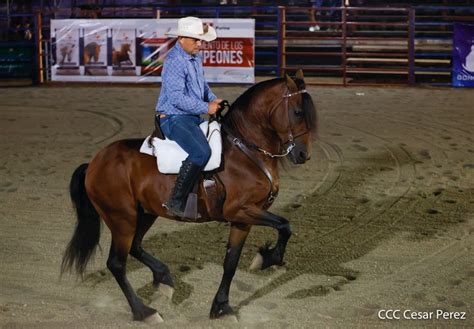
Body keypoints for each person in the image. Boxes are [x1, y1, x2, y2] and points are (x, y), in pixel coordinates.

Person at [156, 16, 222, 218]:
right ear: (182, 38)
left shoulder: (194, 59)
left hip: (189, 116)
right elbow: (176, 99)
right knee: (201, 152)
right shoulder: (175, 61)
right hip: (173, 117)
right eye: (196, 40)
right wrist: (206, 107)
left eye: (200, 40)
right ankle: (176, 200)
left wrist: (212, 99)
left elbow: (202, 86)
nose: (200, 44)